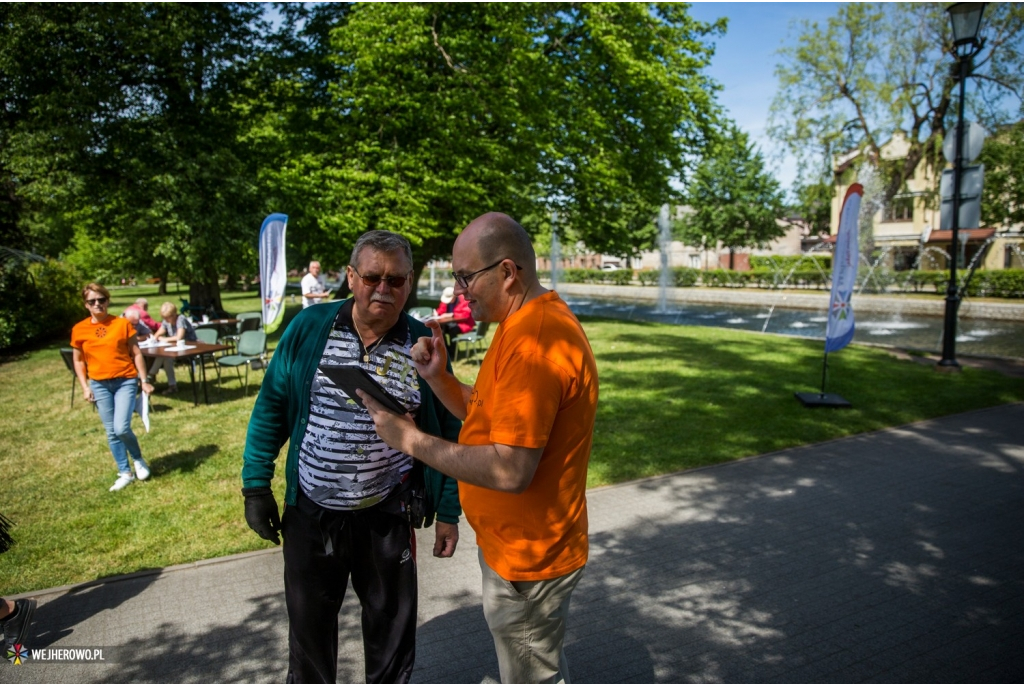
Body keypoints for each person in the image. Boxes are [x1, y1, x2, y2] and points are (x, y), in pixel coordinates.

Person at [359, 212, 599, 684]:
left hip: (530, 559)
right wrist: (440, 380)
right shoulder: (519, 325)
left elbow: (510, 469)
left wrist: (409, 439)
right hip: (514, 549)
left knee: (532, 674)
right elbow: (489, 415)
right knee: (539, 666)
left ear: (508, 273)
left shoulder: (535, 342)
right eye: (457, 277)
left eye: (467, 276)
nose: (461, 290)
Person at [241, 230, 463, 684]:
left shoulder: (424, 343)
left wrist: (448, 510)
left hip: (386, 515)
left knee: (392, 634)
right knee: (308, 637)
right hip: (311, 512)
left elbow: (450, 429)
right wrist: (255, 485)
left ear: (411, 281)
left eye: (396, 280)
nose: (384, 289)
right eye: (372, 277)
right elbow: (271, 407)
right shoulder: (309, 327)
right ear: (349, 277)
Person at [71, 283, 155, 492]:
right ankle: (125, 472)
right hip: (98, 384)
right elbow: (79, 361)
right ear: (86, 305)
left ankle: (137, 459)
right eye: (92, 301)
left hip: (125, 380)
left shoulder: (122, 324)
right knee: (111, 431)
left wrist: (144, 380)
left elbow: (136, 353)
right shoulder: (79, 329)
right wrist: (85, 387)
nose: (97, 304)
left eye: (101, 300)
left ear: (108, 300)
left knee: (121, 427)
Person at [146, 302, 198, 395]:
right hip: (175, 349)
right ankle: (172, 385)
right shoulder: (167, 321)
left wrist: (164, 339)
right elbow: (159, 333)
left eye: (167, 318)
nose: (165, 320)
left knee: (165, 356)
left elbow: (179, 337)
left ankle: (151, 375)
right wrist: (155, 338)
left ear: (174, 315)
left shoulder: (180, 319)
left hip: (188, 348)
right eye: (164, 318)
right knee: (166, 357)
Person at [433, 285, 475, 358]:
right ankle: (446, 350)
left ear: (454, 296)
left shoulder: (464, 300)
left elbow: (465, 315)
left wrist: (452, 314)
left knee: (452, 331)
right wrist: (437, 313)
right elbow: (440, 311)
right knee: (440, 331)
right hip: (449, 324)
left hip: (463, 324)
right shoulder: (445, 302)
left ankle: (453, 352)